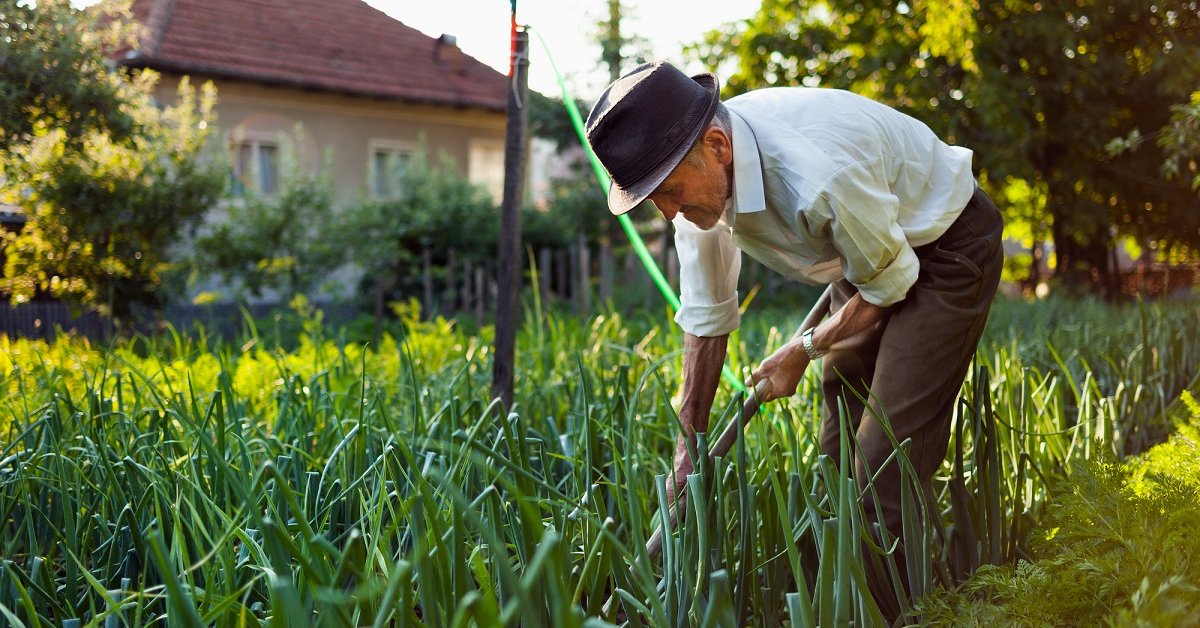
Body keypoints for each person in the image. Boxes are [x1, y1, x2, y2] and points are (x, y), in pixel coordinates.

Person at [584, 60, 1003, 619]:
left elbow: (893, 283)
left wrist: (803, 350)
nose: (665, 211)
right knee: (837, 451)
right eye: (651, 198)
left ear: (717, 146)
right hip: (868, 257)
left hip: (946, 248)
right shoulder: (695, 189)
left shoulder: (815, 175)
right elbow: (707, 321)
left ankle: (902, 613)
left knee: (884, 463)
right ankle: (827, 599)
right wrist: (690, 446)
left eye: (667, 191)